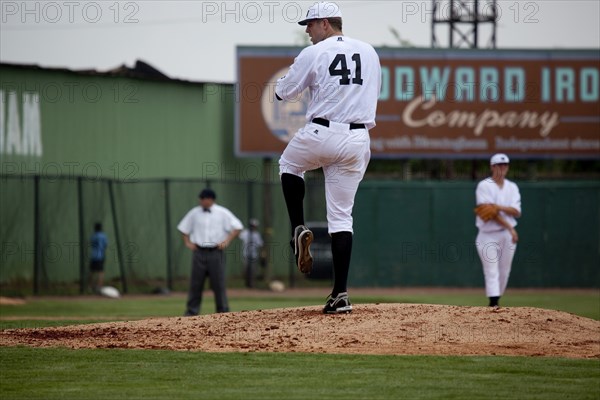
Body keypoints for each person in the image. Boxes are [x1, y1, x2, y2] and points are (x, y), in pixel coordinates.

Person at [275, 2, 382, 314]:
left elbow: (285, 92)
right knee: (341, 218)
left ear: (324, 23)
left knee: (289, 165)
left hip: (323, 132)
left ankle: (297, 228)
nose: (307, 31)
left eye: (309, 24)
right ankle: (340, 294)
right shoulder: (370, 51)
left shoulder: (315, 51)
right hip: (358, 140)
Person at [177, 188, 243, 315]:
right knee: (196, 283)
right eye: (200, 199)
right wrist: (187, 243)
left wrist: (227, 240)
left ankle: (222, 311)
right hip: (199, 252)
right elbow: (183, 229)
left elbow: (237, 226)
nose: (201, 201)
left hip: (215, 252)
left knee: (219, 283)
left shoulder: (222, 212)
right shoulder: (194, 213)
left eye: (203, 199)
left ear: (211, 199)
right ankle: (191, 312)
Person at [475, 153, 522, 309]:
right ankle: (493, 303)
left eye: (505, 165)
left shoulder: (512, 187)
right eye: (499, 165)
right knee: (491, 269)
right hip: (488, 235)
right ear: (492, 167)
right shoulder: (484, 185)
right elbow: (490, 214)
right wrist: (509, 226)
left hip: (507, 235)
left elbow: (516, 211)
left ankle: (496, 300)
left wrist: (498, 206)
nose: (502, 168)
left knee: (505, 271)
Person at [238, 218, 264, 288]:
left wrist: (262, 254)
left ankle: (252, 284)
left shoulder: (257, 234)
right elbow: (239, 235)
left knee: (253, 270)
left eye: (254, 226)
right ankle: (246, 284)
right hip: (245, 254)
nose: (253, 227)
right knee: (246, 269)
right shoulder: (245, 233)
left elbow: (260, 244)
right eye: (252, 225)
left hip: (254, 255)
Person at [89, 222, 108, 294]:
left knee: (92, 271)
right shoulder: (103, 236)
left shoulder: (93, 236)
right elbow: (105, 245)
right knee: (101, 272)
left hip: (93, 255)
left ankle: (90, 286)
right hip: (100, 256)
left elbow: (91, 244)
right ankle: (99, 287)